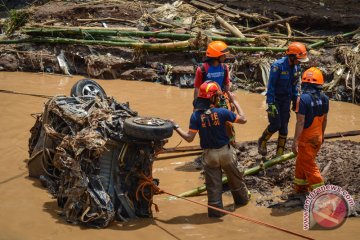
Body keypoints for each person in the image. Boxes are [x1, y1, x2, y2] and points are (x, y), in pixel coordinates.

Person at [171, 81, 250, 218]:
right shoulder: (222, 112)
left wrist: (175, 126)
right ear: (213, 97)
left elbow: (189, 138)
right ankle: (242, 203)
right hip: (226, 152)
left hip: (210, 155)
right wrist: (235, 101)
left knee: (213, 188)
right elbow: (243, 119)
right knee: (236, 180)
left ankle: (215, 214)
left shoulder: (195, 116)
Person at [258, 42, 309, 157]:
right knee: (276, 124)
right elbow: (271, 86)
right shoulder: (278, 66)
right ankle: (262, 141)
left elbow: (295, 85)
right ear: (292, 56)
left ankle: (279, 153)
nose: (300, 62)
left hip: (286, 99)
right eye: (298, 59)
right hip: (275, 99)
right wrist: (270, 103)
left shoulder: (297, 67)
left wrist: (295, 100)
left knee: (284, 127)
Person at [193, 40, 241, 145]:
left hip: (221, 98)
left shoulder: (224, 68)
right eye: (223, 55)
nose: (225, 57)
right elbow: (197, 88)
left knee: (227, 122)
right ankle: (208, 144)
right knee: (205, 122)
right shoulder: (202, 69)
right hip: (206, 100)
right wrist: (196, 105)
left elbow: (226, 85)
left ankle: (231, 143)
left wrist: (231, 99)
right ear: (216, 56)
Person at [292, 67, 329, 193]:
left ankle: (321, 193)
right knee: (302, 162)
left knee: (310, 166)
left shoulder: (302, 99)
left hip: (306, 140)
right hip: (317, 137)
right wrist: (322, 136)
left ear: (304, 82)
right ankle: (301, 187)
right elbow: (324, 119)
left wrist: (295, 142)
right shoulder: (325, 98)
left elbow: (300, 122)